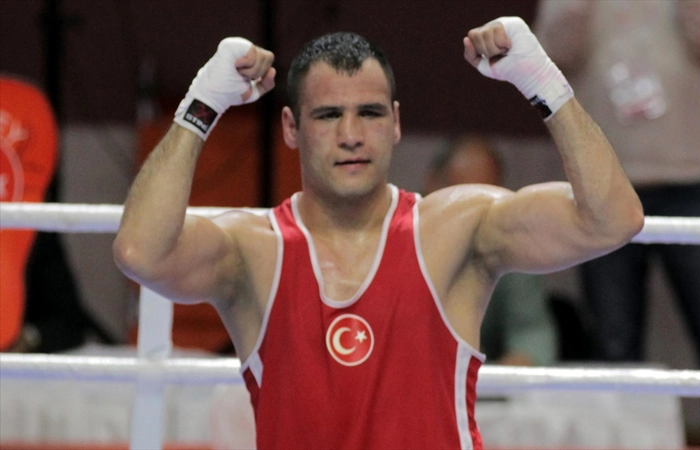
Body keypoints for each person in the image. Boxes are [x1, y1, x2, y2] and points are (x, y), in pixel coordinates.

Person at [113, 17, 644, 449]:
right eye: (328, 116)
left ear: (395, 123)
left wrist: (543, 81)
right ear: (292, 129)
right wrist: (200, 106)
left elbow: (613, 220)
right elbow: (139, 252)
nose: (351, 135)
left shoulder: (454, 229)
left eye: (368, 113)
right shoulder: (254, 248)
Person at [535, 1, 700, 446]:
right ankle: (618, 443)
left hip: (690, 173)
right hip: (605, 180)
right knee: (613, 342)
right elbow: (555, 49)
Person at [424, 134, 558, 366]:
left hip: (478, 380)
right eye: (462, 196)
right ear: (432, 183)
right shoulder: (398, 235)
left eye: (485, 200)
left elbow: (531, 333)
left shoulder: (509, 245)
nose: (473, 212)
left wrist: (499, 378)